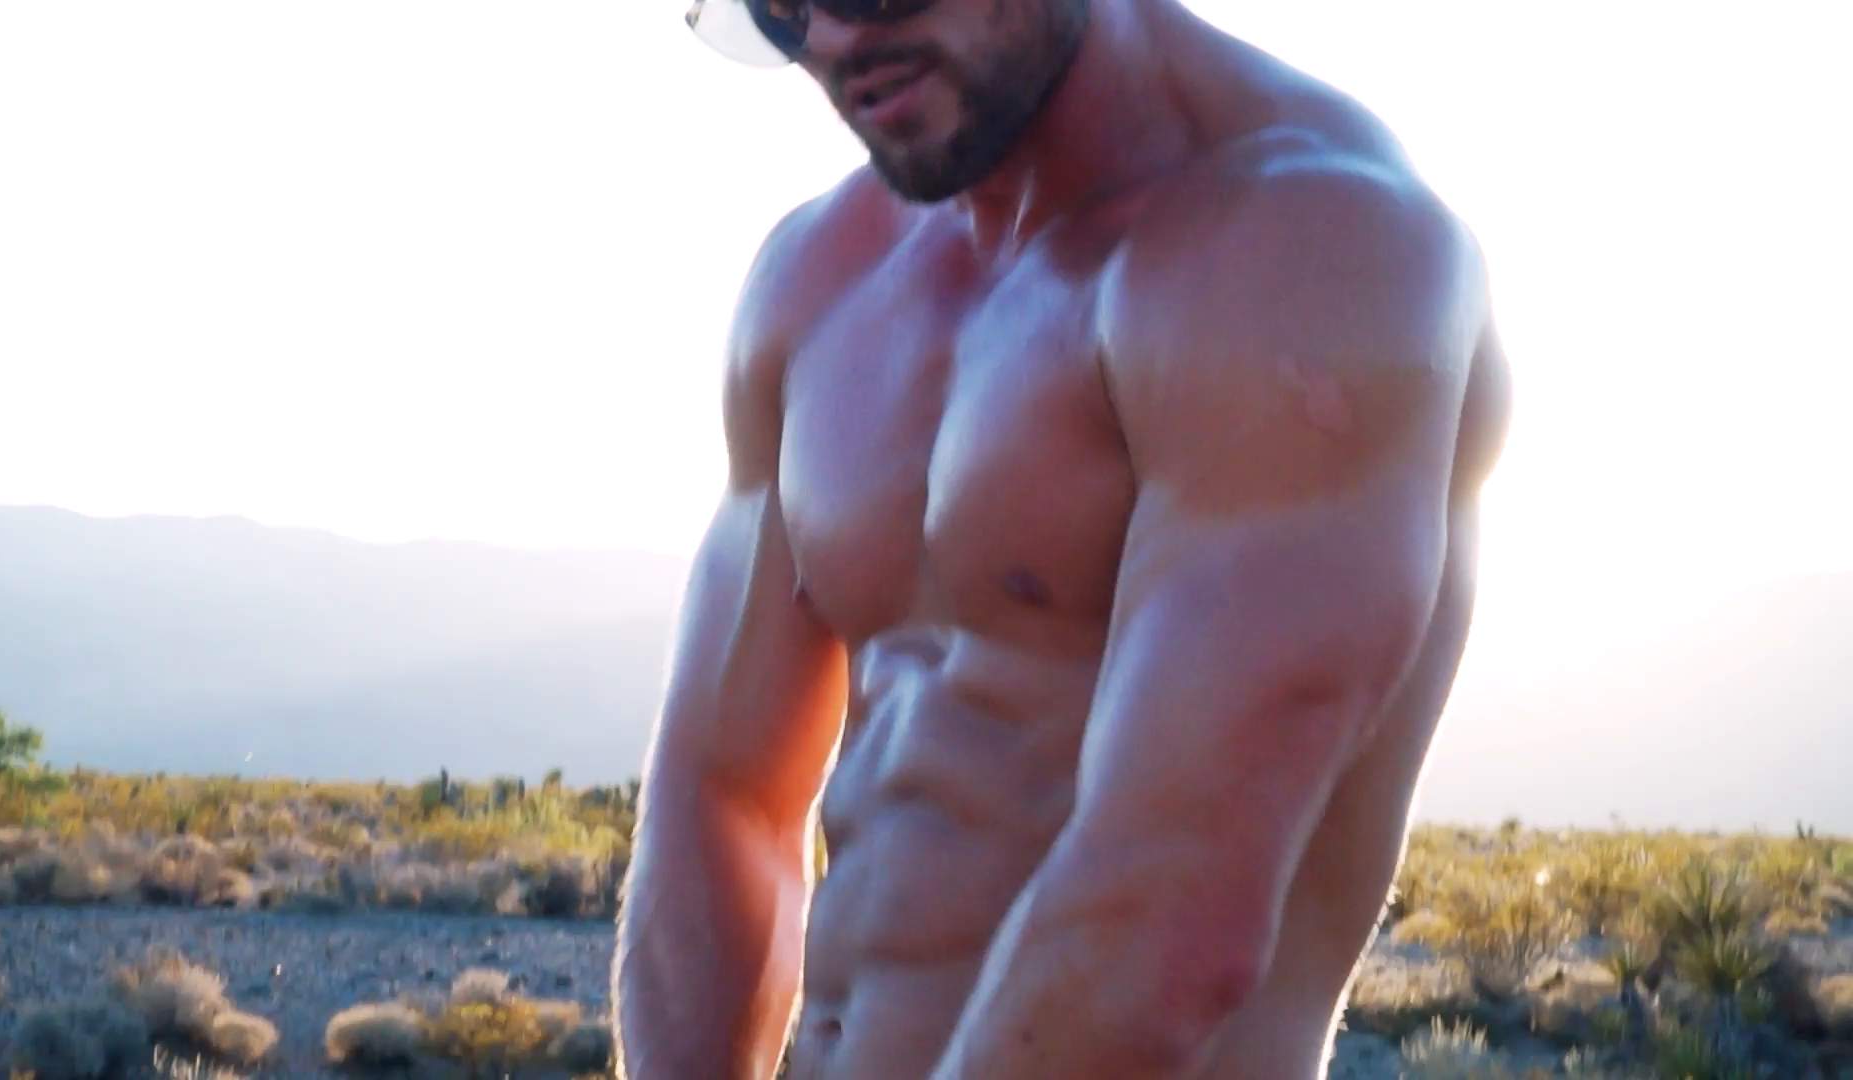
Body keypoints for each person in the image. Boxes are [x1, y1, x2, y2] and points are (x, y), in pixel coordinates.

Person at [615, 0, 1511, 1074]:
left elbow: (1168, 915)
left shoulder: (1311, 249)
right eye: (780, 10)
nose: (833, 42)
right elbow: (726, 796)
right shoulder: (820, 276)